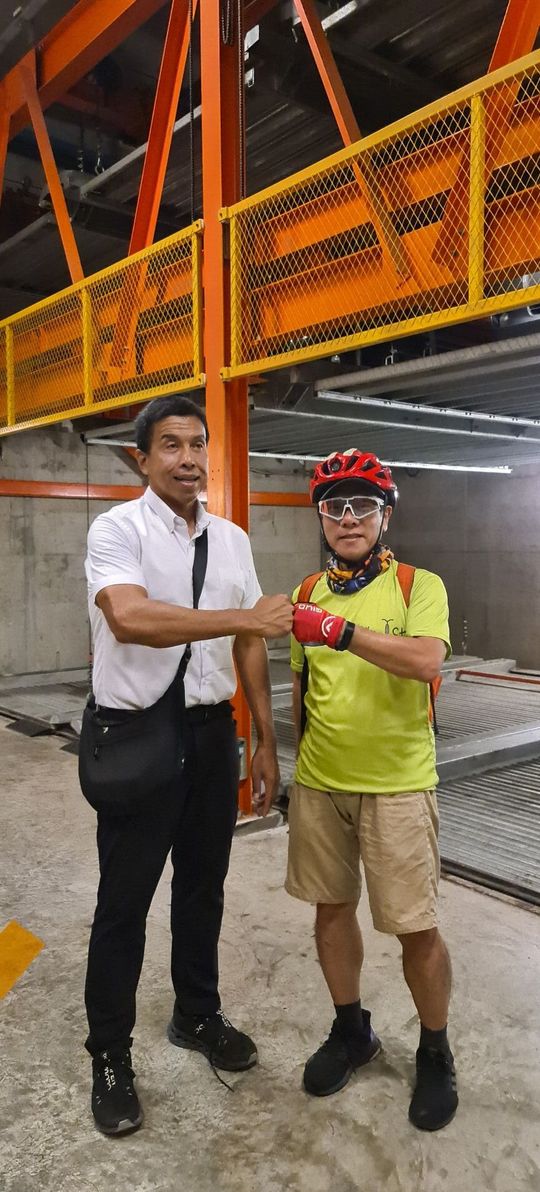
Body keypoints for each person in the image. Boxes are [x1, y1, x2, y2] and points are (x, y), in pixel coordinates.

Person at [83, 394, 293, 1135]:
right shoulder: (118, 530)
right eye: (170, 445)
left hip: (210, 738)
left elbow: (248, 644)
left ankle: (196, 1013)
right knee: (124, 904)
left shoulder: (231, 539)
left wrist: (263, 738)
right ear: (142, 459)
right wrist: (244, 617)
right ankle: (110, 1055)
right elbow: (129, 617)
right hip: (140, 736)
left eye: (198, 443)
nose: (189, 458)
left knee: (203, 888)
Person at [287, 449, 458, 1131]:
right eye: (335, 507)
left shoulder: (419, 586)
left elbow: (426, 661)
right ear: (321, 519)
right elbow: (302, 687)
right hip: (320, 784)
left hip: (398, 786)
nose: (349, 518)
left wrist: (341, 631)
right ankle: (351, 1029)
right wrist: (289, 762)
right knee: (331, 910)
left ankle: (435, 1049)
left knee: (416, 927)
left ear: (385, 516)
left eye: (363, 505)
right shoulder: (306, 591)